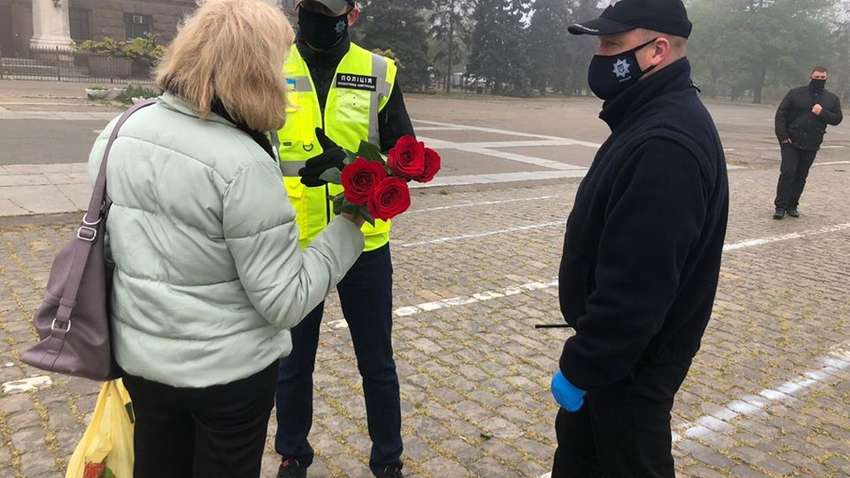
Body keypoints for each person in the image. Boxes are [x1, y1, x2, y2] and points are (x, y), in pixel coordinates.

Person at [86, 1, 365, 476]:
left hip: (143, 363)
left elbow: (115, 251)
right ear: (257, 70)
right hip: (226, 378)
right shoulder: (242, 164)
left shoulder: (120, 131)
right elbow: (284, 299)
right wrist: (349, 225)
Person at [551, 0, 729, 476]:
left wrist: (582, 365)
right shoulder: (648, 117)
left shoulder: (665, 143)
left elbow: (638, 286)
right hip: (617, 367)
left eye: (613, 44)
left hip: (628, 371)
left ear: (658, 51)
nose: (601, 56)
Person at [275, 1, 414, 477]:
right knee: (292, 363)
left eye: (329, 9)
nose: (317, 17)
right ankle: (293, 453)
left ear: (351, 14)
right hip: (294, 241)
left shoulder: (379, 71)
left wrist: (358, 168)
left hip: (362, 242)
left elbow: (405, 155)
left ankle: (388, 459)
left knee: (377, 362)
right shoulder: (271, 65)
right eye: (310, 7)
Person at [773, 66, 843, 219]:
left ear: (826, 79)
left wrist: (822, 112)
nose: (819, 80)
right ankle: (780, 206)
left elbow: (837, 119)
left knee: (801, 175)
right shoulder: (795, 93)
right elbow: (781, 115)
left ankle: (792, 205)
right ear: (811, 76)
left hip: (812, 143)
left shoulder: (831, 99)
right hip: (790, 141)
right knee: (788, 172)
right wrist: (783, 136)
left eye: (822, 78)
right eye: (816, 77)